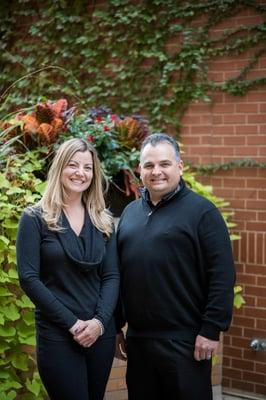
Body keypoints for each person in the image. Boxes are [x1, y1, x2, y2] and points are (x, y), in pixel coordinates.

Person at [115, 133, 236, 400]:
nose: (156, 171)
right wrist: (116, 326)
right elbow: (119, 274)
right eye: (148, 165)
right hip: (138, 342)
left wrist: (210, 329)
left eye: (164, 164)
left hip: (186, 343)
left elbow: (222, 275)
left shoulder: (203, 213)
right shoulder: (129, 213)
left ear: (179, 167)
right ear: (140, 170)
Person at [16, 138, 120, 400]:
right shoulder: (35, 219)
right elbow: (29, 279)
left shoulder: (103, 220)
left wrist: (98, 323)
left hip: (100, 335)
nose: (80, 173)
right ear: (60, 168)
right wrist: (73, 325)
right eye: (72, 165)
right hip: (58, 335)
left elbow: (111, 276)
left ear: (94, 174)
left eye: (87, 167)